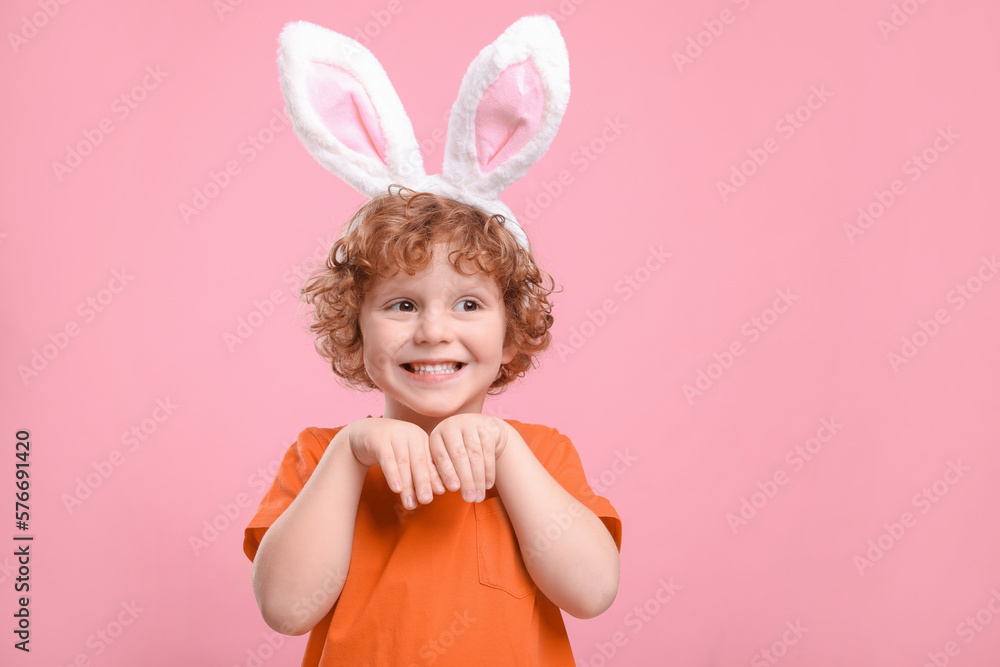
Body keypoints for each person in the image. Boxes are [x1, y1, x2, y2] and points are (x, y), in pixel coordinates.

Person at [244, 15, 623, 666]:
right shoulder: (319, 457)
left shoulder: (542, 455)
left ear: (511, 334)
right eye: (402, 304)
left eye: (468, 304)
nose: (433, 330)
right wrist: (349, 456)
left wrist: (505, 452)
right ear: (355, 330)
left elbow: (591, 591)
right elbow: (286, 608)